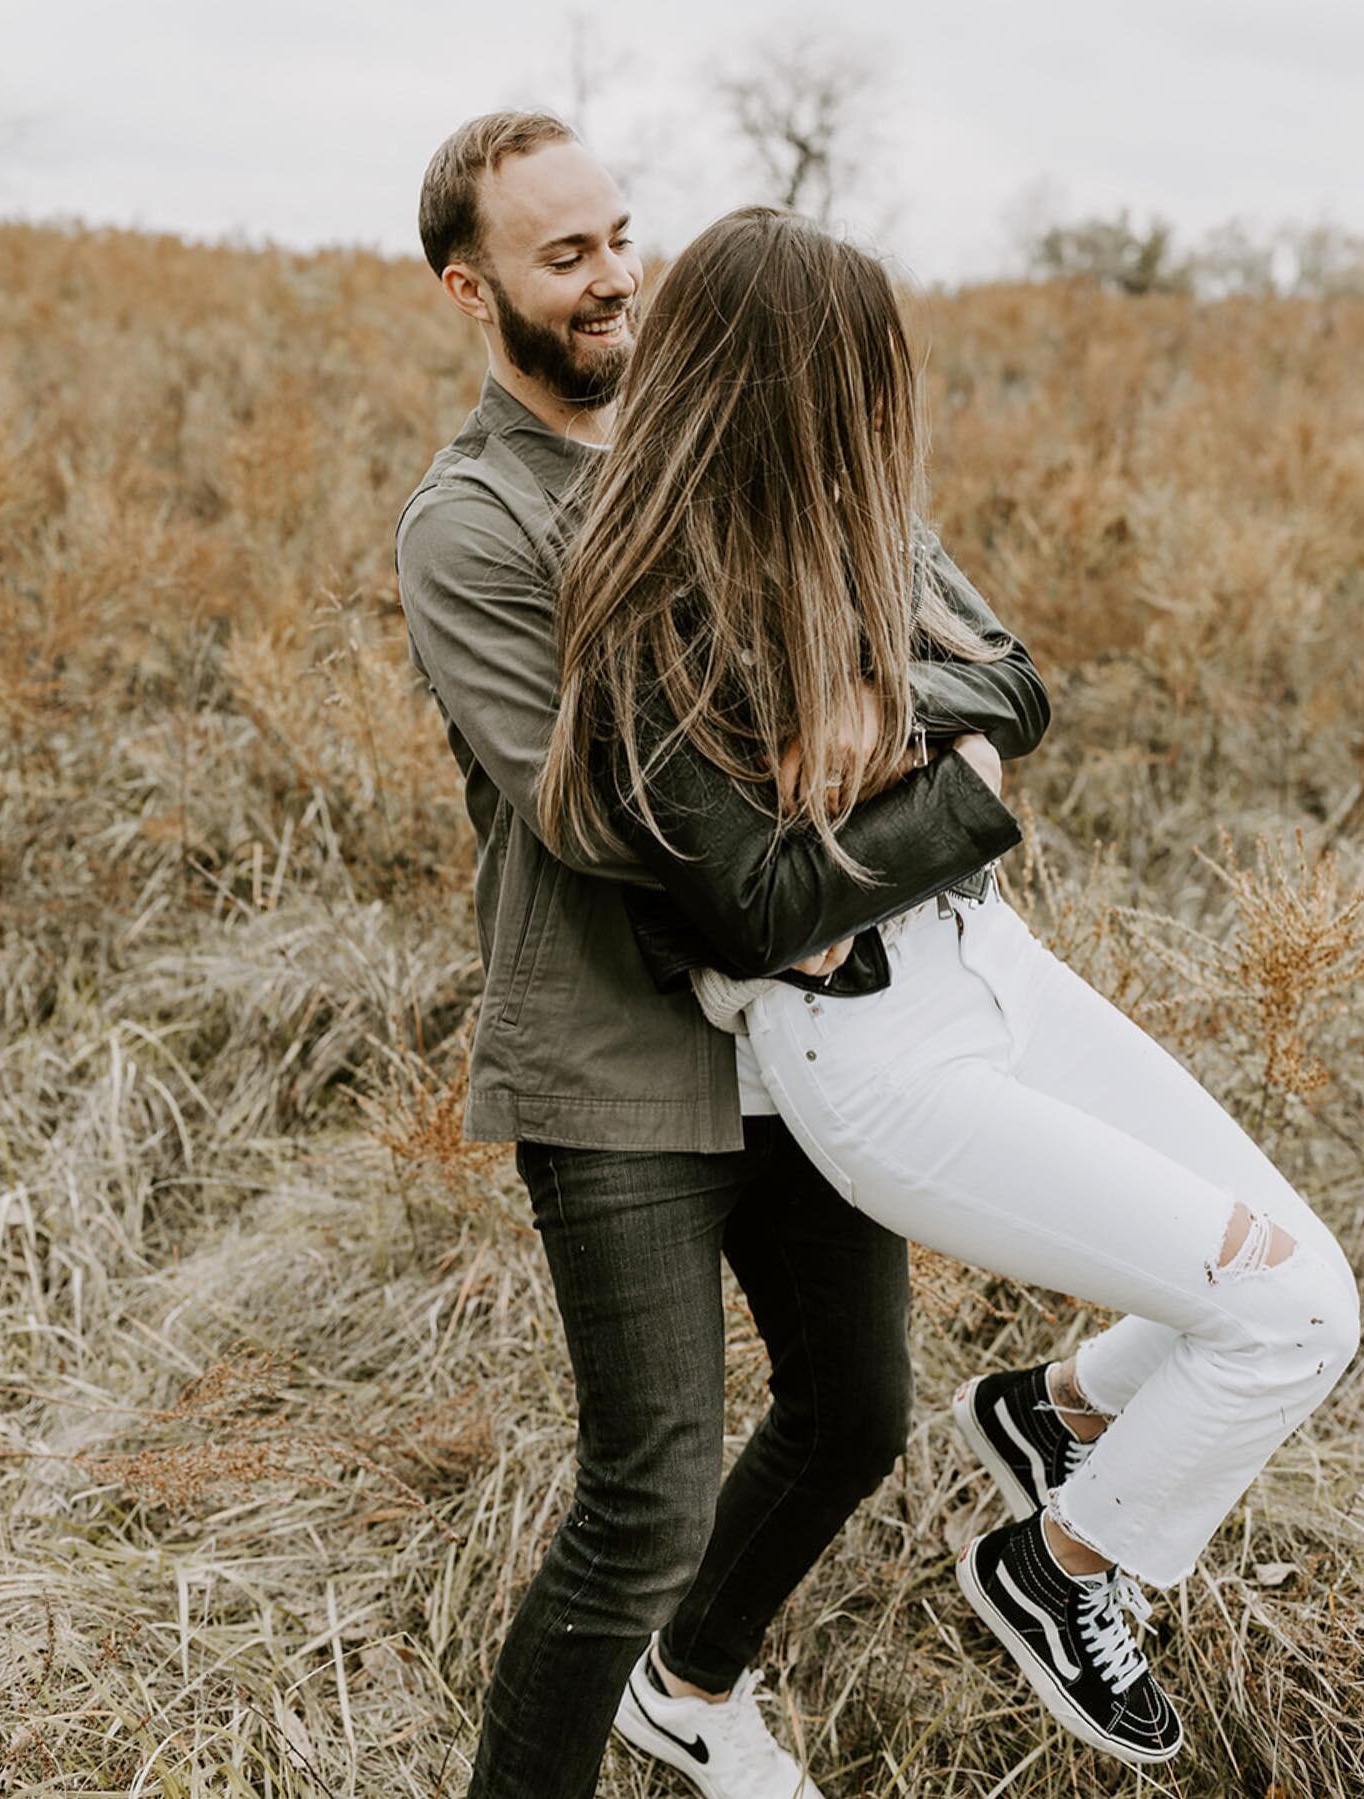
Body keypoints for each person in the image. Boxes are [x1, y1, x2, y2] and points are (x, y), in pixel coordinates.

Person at [539, 204, 1361, 1770]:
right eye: (863, 378)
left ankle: (1052, 1415)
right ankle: (1056, 1569)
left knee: (1313, 1284)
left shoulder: (866, 530)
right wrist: (941, 783)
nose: (884, 413)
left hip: (993, 963)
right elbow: (761, 904)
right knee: (1290, 1310)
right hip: (873, 1058)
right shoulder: (651, 601)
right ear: (791, 383)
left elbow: (1018, 685)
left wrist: (870, 702)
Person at [395, 115, 1048, 1798]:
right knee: (649, 1496)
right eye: (564, 255)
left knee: (858, 1413)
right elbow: (596, 814)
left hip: (812, 1046)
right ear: (473, 291)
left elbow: (996, 671)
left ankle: (689, 1690)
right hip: (617, 1060)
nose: (617, 275)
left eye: (622, 232)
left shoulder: (750, 441)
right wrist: (861, 794)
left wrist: (876, 722)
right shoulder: (471, 527)